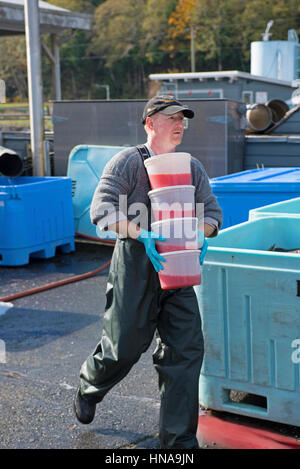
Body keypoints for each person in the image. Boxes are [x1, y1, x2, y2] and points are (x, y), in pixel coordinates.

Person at [73, 95, 223, 449]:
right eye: (171, 117)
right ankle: (89, 386)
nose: (179, 124)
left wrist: (202, 234)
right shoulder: (128, 162)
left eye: (183, 118)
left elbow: (213, 214)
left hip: (179, 266)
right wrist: (143, 233)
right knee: (123, 347)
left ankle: (178, 444)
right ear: (150, 123)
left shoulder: (192, 167)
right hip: (137, 263)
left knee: (185, 352)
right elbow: (101, 210)